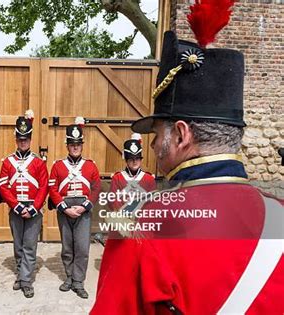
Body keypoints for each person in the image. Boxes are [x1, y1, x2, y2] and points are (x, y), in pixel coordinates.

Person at [91, 7, 284, 313]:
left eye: (157, 133)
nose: (152, 145)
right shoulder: (280, 213)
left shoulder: (143, 226)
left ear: (181, 136)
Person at [48, 117, 101, 299]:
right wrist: (63, 207)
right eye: (72, 144)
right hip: (65, 209)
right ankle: (69, 277)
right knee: (67, 246)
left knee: (82, 248)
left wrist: (85, 206)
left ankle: (79, 281)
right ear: (67, 145)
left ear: (82, 145)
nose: (75, 147)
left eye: (78, 144)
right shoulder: (57, 166)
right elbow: (53, 188)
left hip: (83, 210)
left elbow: (96, 188)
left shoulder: (90, 166)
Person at [0, 110, 49, 298]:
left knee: (30, 245)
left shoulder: (38, 162)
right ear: (16, 140)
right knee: (18, 244)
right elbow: (3, 186)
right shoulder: (8, 162)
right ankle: (21, 273)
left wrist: (34, 207)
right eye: (20, 139)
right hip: (16, 208)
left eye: (26, 139)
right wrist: (16, 206)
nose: (23, 142)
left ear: (30, 139)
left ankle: (26, 280)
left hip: (33, 208)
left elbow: (44, 186)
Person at [109, 133, 156, 211]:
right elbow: (113, 201)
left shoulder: (149, 179)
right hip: (122, 219)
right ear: (126, 160)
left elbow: (152, 203)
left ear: (141, 159)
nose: (135, 162)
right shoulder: (117, 178)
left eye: (137, 159)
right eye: (131, 159)